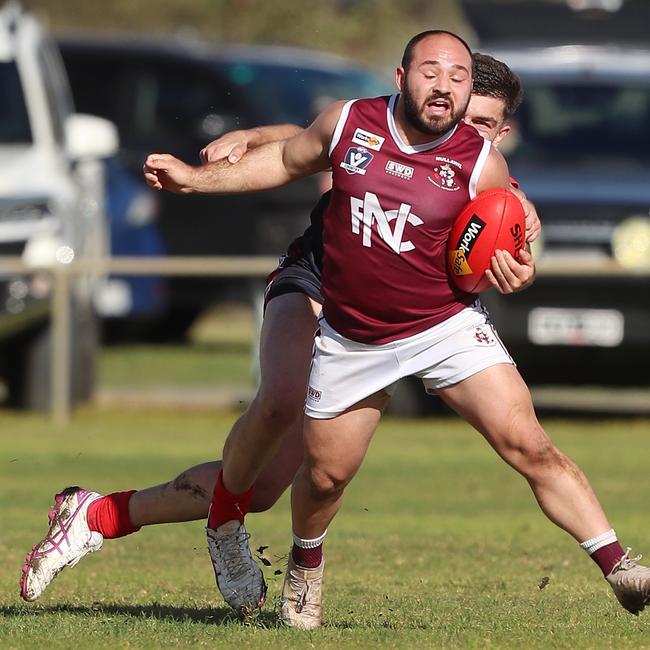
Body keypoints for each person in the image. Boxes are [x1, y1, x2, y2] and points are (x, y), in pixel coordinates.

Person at [138, 30, 650, 629]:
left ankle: (621, 566)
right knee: (325, 478)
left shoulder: (482, 163)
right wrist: (195, 181)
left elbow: (511, 245)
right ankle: (305, 567)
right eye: (432, 72)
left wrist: (519, 271)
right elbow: (286, 157)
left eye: (459, 78)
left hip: (444, 325)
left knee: (528, 444)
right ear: (402, 77)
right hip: (354, 336)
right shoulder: (350, 122)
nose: (446, 87)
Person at [17, 46, 539, 615]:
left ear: (502, 132)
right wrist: (253, 136)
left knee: (261, 490)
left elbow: (509, 232)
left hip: (386, 326)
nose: (463, 128)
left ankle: (97, 515)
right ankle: (221, 528)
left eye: (482, 125)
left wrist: (521, 250)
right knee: (279, 400)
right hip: (315, 281)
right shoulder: (387, 127)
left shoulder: (488, 182)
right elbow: (310, 141)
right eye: (462, 116)